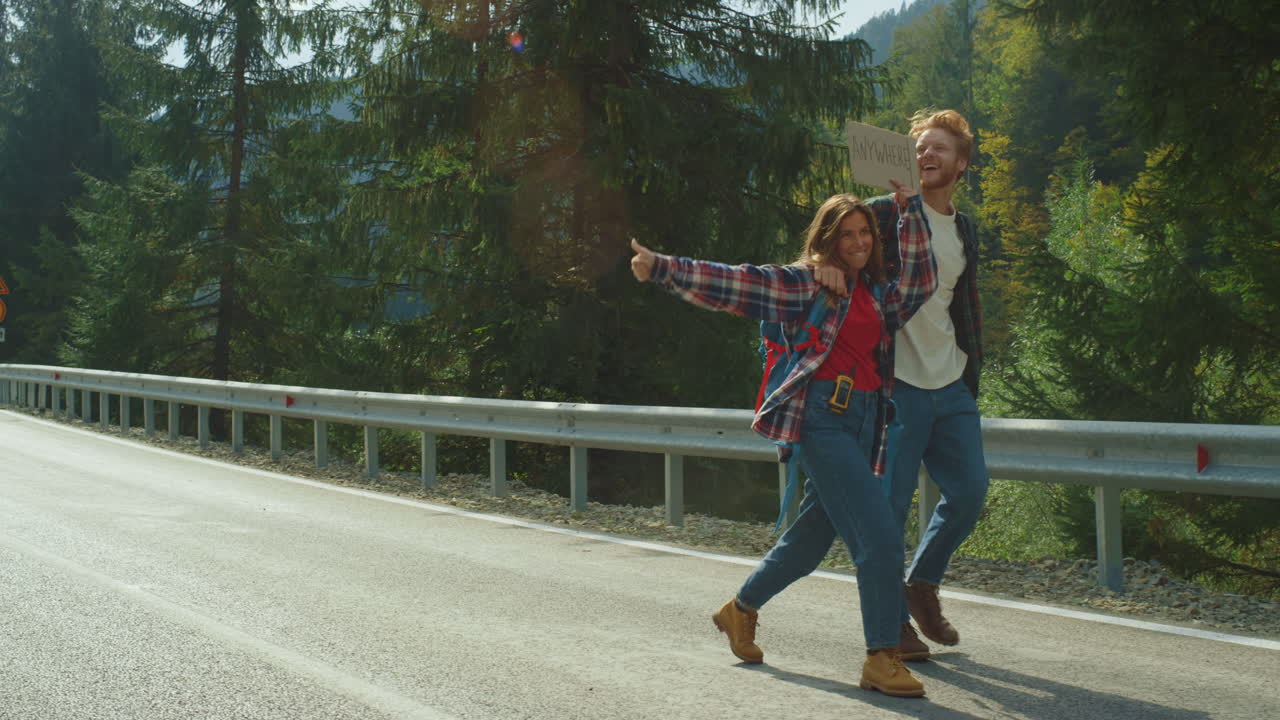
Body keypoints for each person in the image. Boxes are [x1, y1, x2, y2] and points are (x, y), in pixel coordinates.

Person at [629, 183, 936, 698]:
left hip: (865, 426)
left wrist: (910, 211)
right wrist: (664, 267)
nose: (859, 242)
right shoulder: (809, 286)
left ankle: (740, 609)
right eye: (847, 235)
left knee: (812, 539)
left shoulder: (878, 293)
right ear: (828, 240)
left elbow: (923, 279)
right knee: (879, 533)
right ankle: (881, 657)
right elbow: (740, 285)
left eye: (865, 233)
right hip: (821, 421)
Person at [816, 109, 988, 662]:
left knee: (969, 492)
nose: (926, 155)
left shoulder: (964, 229)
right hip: (894, 384)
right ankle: (892, 624)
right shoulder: (884, 216)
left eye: (938, 148)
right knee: (887, 511)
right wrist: (824, 270)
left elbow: (961, 305)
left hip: (950, 380)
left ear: (961, 163)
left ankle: (922, 584)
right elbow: (836, 244)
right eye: (918, 147)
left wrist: (970, 369)